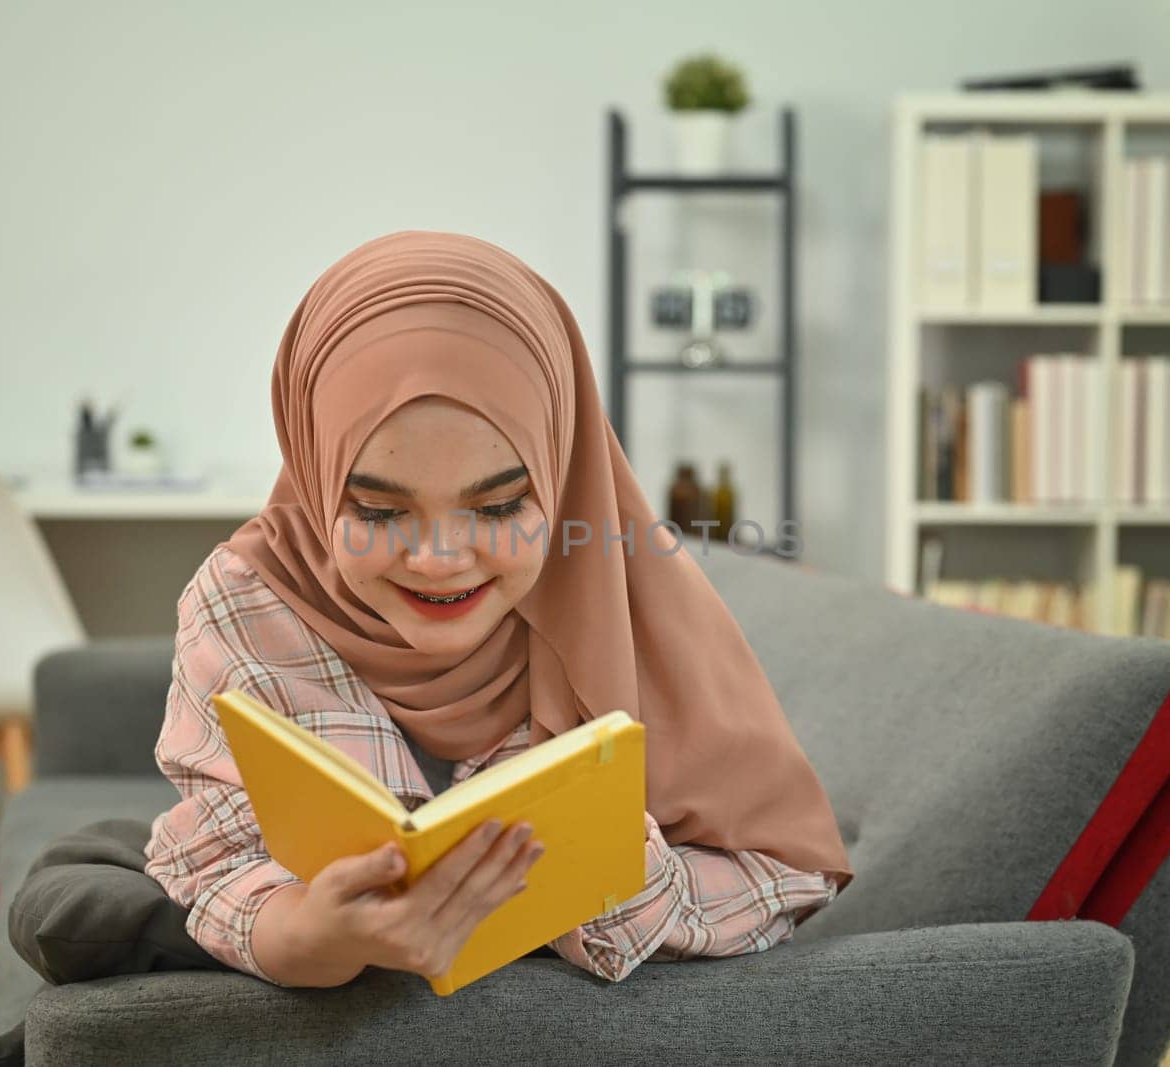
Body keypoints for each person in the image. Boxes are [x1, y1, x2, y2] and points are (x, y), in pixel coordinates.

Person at [143, 229, 853, 989]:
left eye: (502, 504)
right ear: (316, 477)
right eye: (380, 512)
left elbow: (792, 880)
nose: (442, 559)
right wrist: (307, 934)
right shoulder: (245, 606)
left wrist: (611, 876)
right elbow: (218, 862)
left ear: (560, 471)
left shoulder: (630, 604)